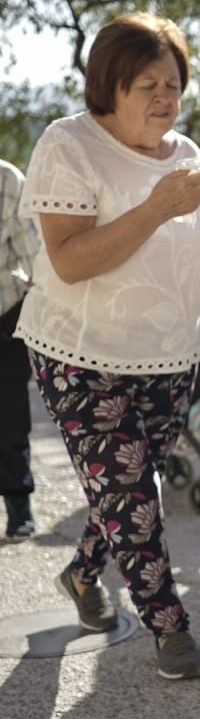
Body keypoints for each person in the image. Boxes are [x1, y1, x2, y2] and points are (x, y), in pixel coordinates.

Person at [15, 12, 200, 679]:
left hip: (169, 357)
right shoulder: (68, 145)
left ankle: (81, 576)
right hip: (78, 353)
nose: (164, 98)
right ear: (109, 87)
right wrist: (155, 208)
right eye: (147, 83)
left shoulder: (186, 154)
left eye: (173, 84)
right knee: (129, 489)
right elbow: (68, 260)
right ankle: (169, 629)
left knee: (126, 488)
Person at [1, 158, 39, 540]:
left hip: (4, 314)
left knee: (9, 417)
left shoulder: (7, 179)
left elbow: (34, 257)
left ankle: (17, 504)